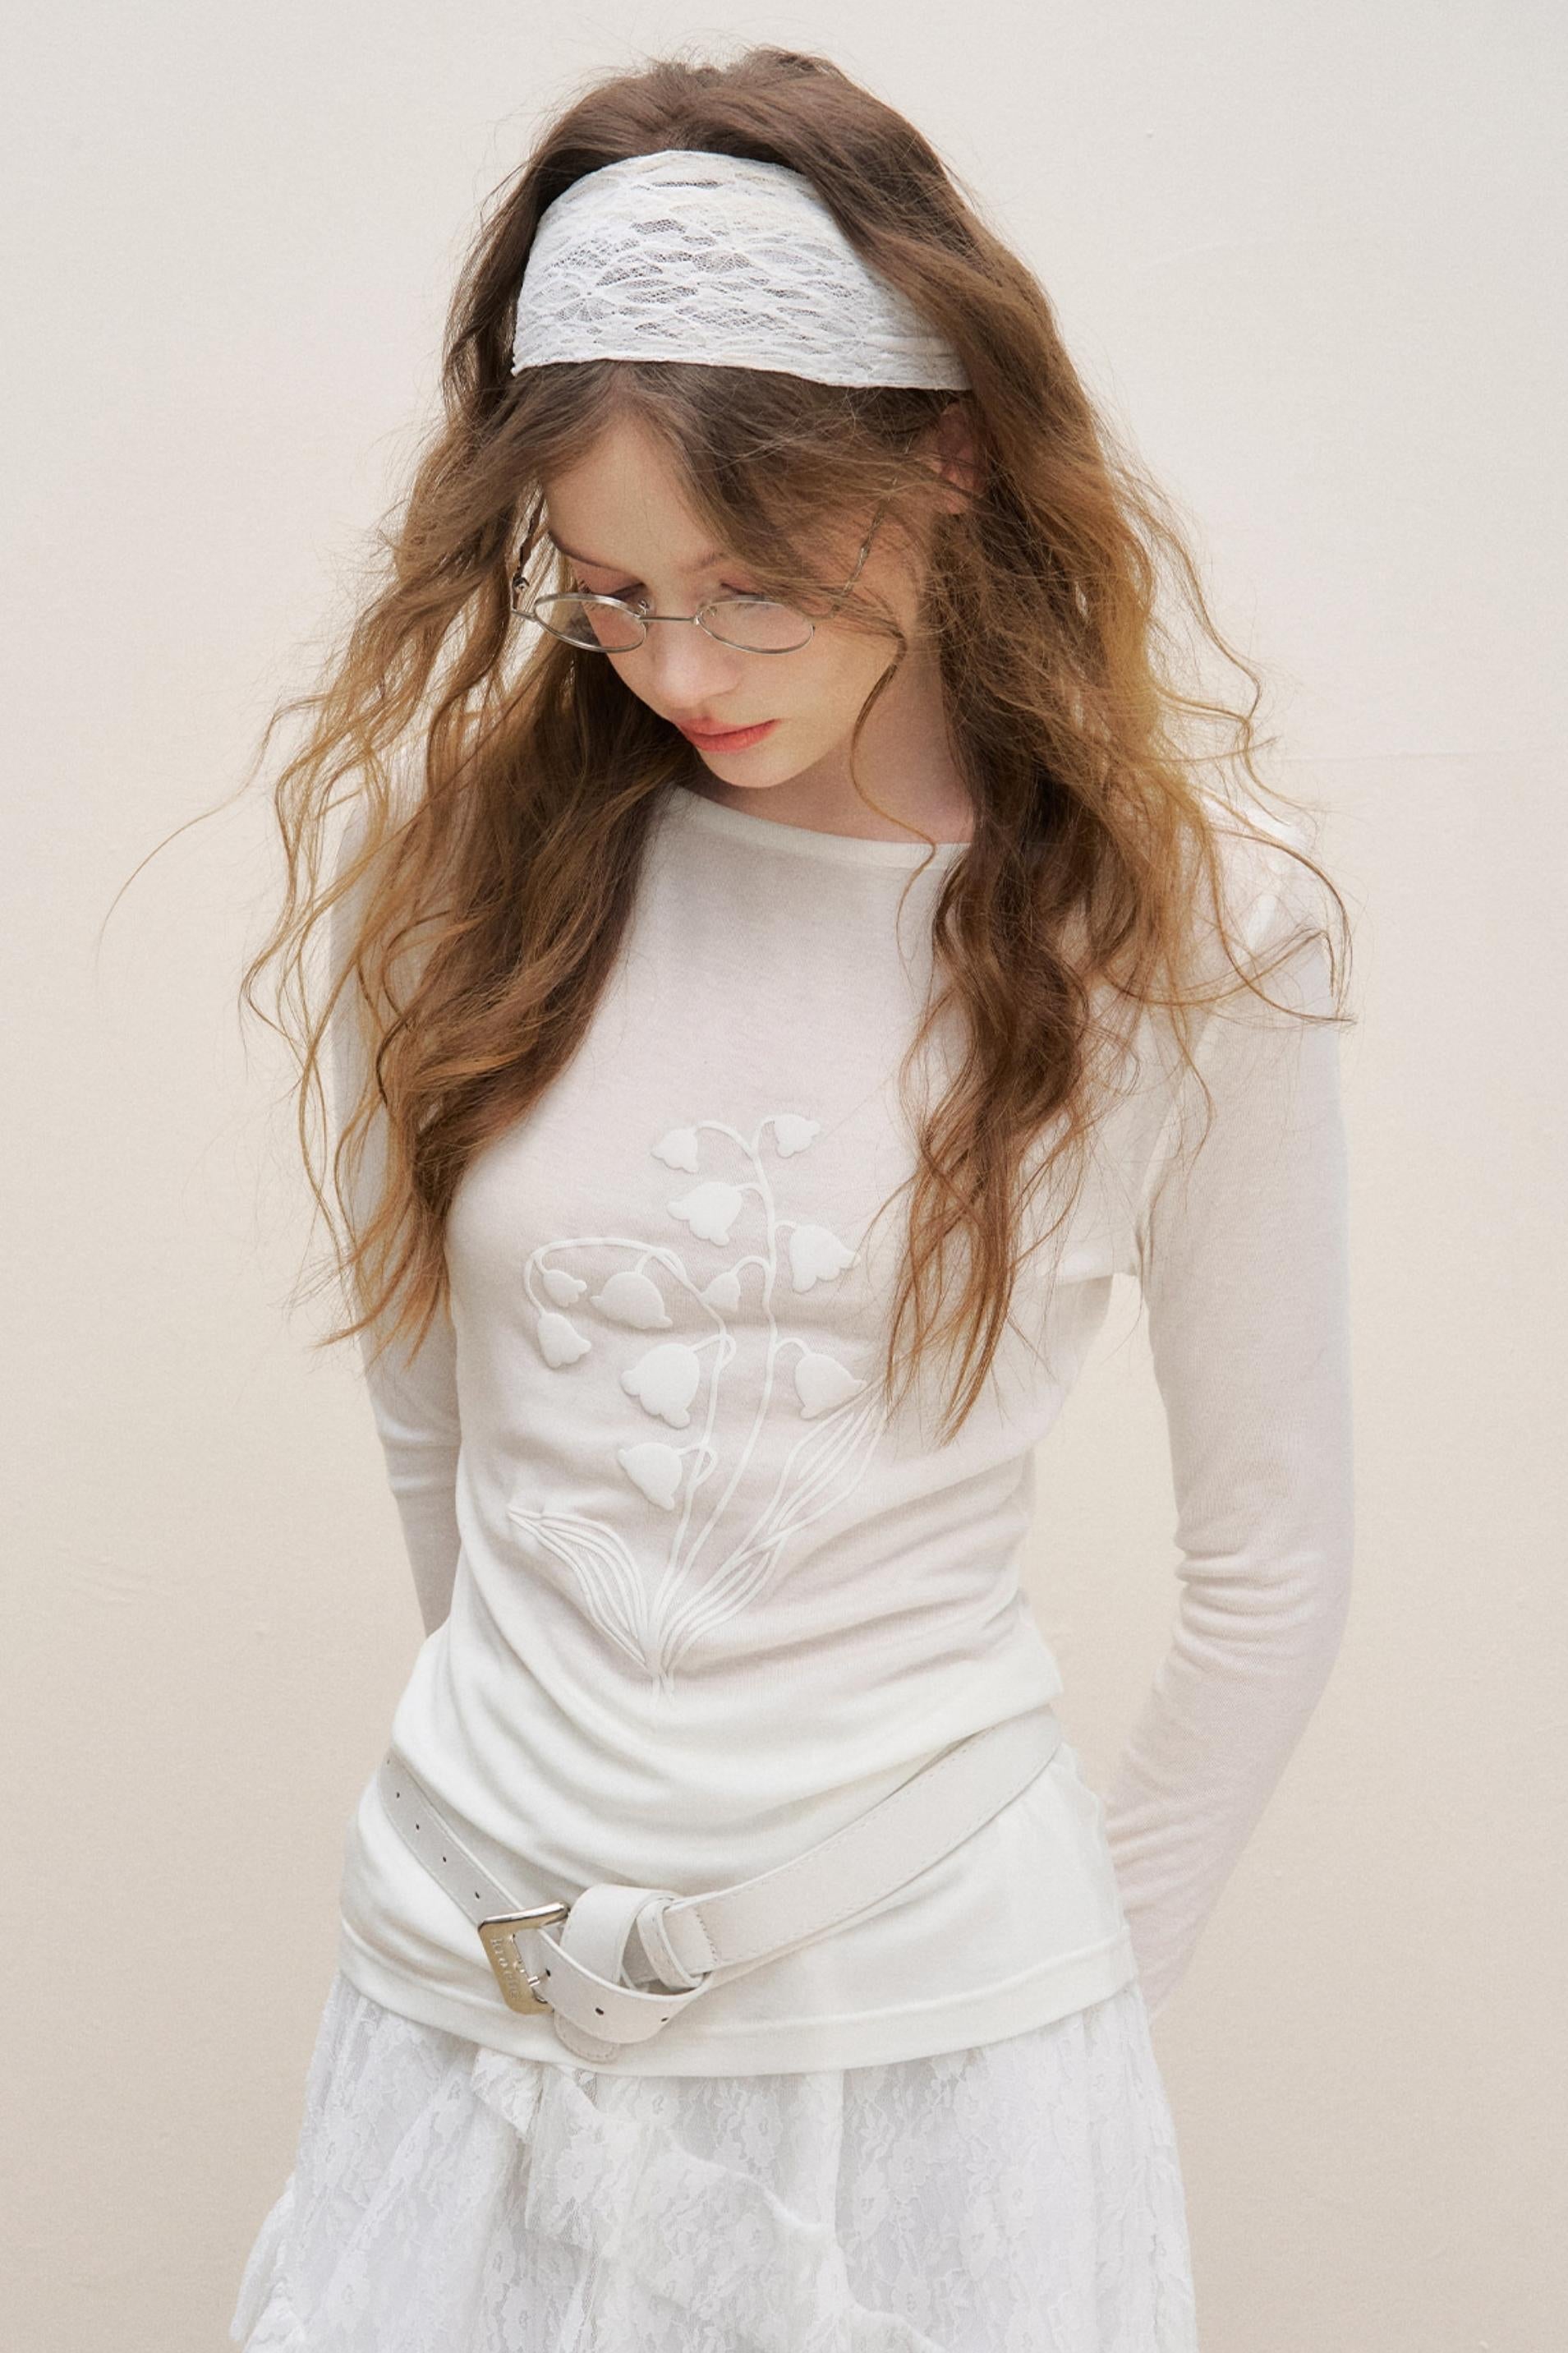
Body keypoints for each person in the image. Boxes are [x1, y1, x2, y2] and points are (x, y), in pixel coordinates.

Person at [228, 45, 1354, 2352]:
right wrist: (554, 1837)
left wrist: (1064, 2031)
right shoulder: (459, 895)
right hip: (462, 1996)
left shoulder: (1190, 934)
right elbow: (450, 1455)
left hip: (942, 2045)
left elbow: (1272, 1564)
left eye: (753, 589)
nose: (681, 670)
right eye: (612, 593)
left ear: (950, 455)